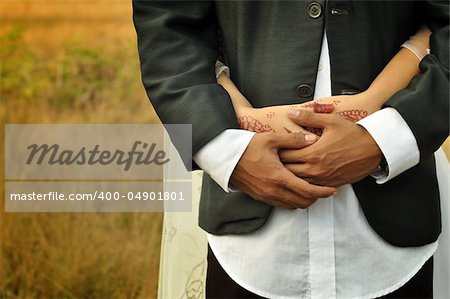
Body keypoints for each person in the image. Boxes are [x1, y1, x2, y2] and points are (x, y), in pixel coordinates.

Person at [133, 1, 449, 298]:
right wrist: (227, 150)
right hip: (247, 240)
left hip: (396, 223)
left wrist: (384, 139)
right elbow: (168, 31)